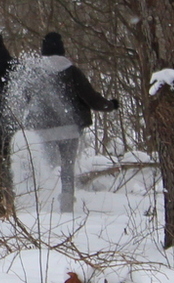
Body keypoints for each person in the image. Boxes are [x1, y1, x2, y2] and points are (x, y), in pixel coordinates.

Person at [17, 32, 120, 212]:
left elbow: (24, 100)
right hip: (69, 130)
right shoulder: (72, 71)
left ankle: (42, 206)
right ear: (62, 49)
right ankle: (66, 206)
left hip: (42, 132)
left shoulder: (34, 72)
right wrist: (110, 105)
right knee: (67, 169)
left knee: (45, 169)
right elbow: (91, 98)